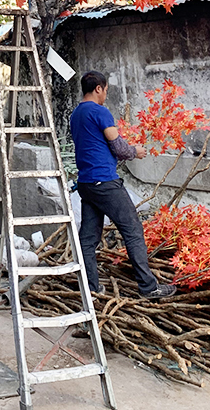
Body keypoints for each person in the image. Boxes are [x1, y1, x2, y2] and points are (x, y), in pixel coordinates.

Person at [70, 70, 176, 300]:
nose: (106, 94)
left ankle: (92, 288)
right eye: (106, 90)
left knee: (88, 239)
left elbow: (96, 145)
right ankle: (148, 287)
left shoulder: (76, 114)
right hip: (105, 182)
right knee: (133, 229)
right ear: (98, 88)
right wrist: (134, 152)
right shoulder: (100, 112)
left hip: (86, 183)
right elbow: (118, 148)